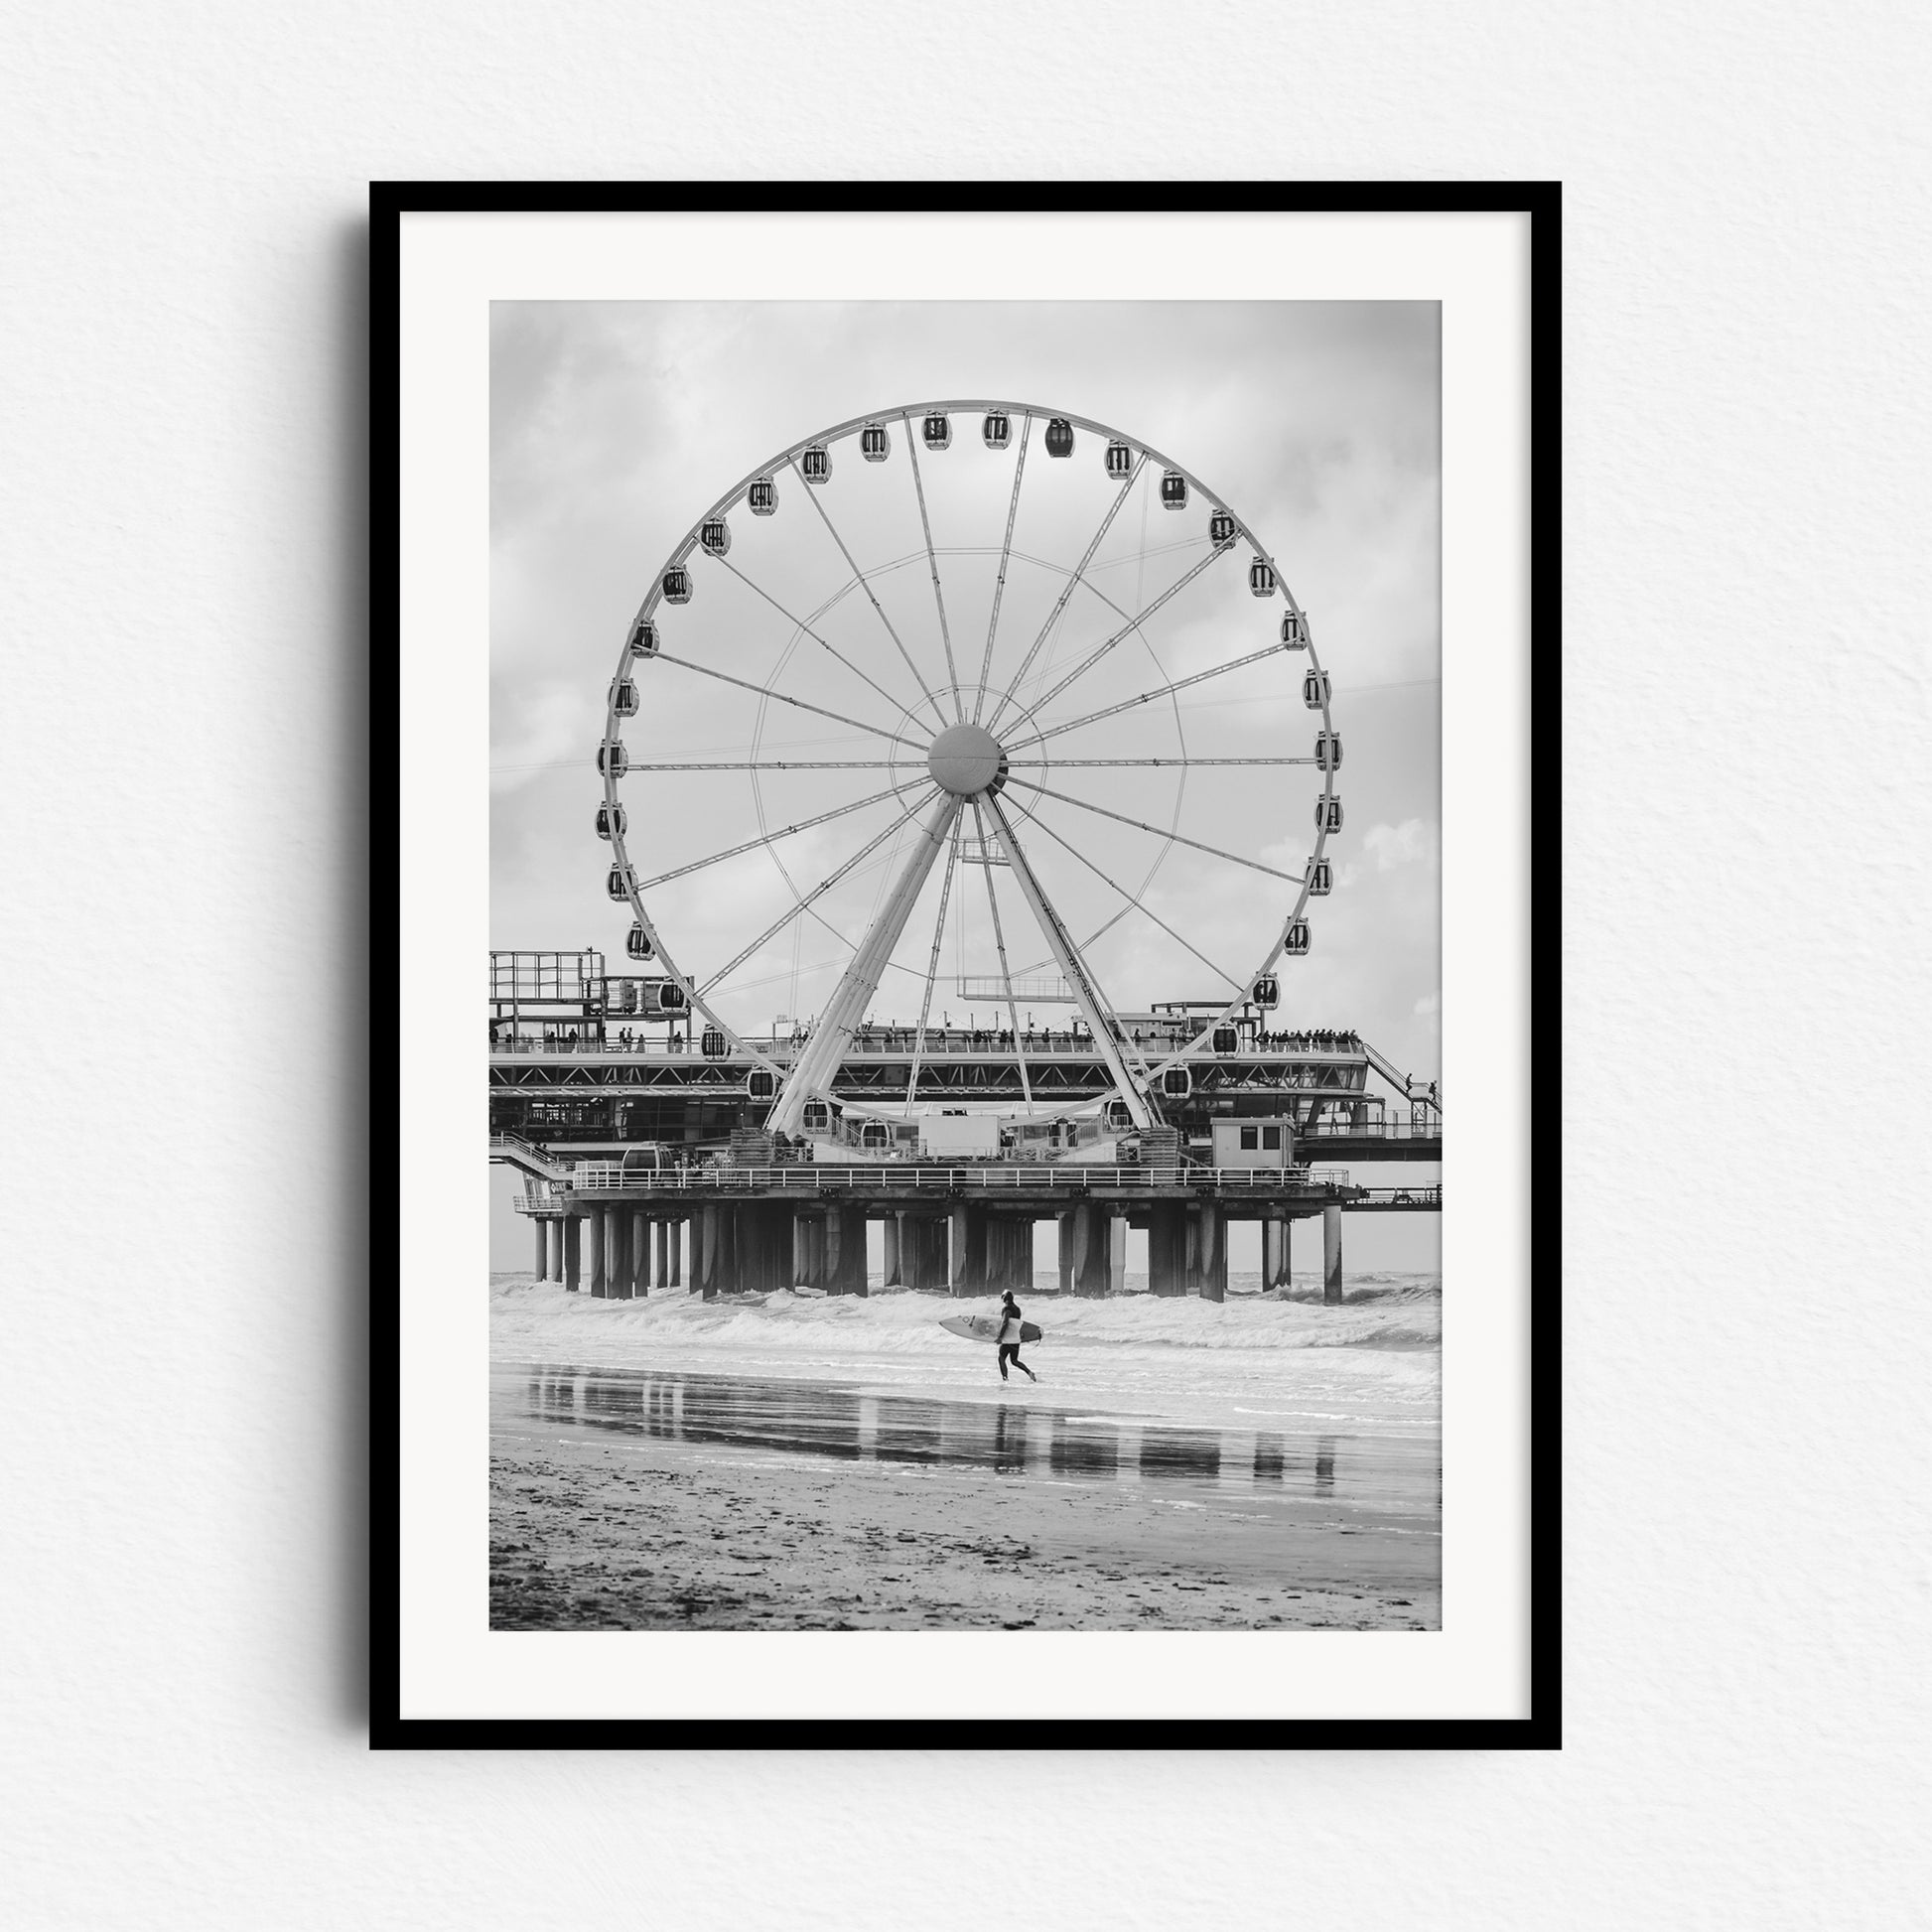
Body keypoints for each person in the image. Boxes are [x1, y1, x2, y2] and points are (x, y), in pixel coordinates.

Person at [995, 1290, 1037, 1384]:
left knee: (1001, 1358)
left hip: (1008, 1338)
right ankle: (1029, 1372)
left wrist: (1000, 1336)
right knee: (1014, 1360)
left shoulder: (1007, 1309)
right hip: (1016, 1337)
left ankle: (1005, 1379)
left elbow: (1005, 1322)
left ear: (1005, 1298)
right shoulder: (1017, 1309)